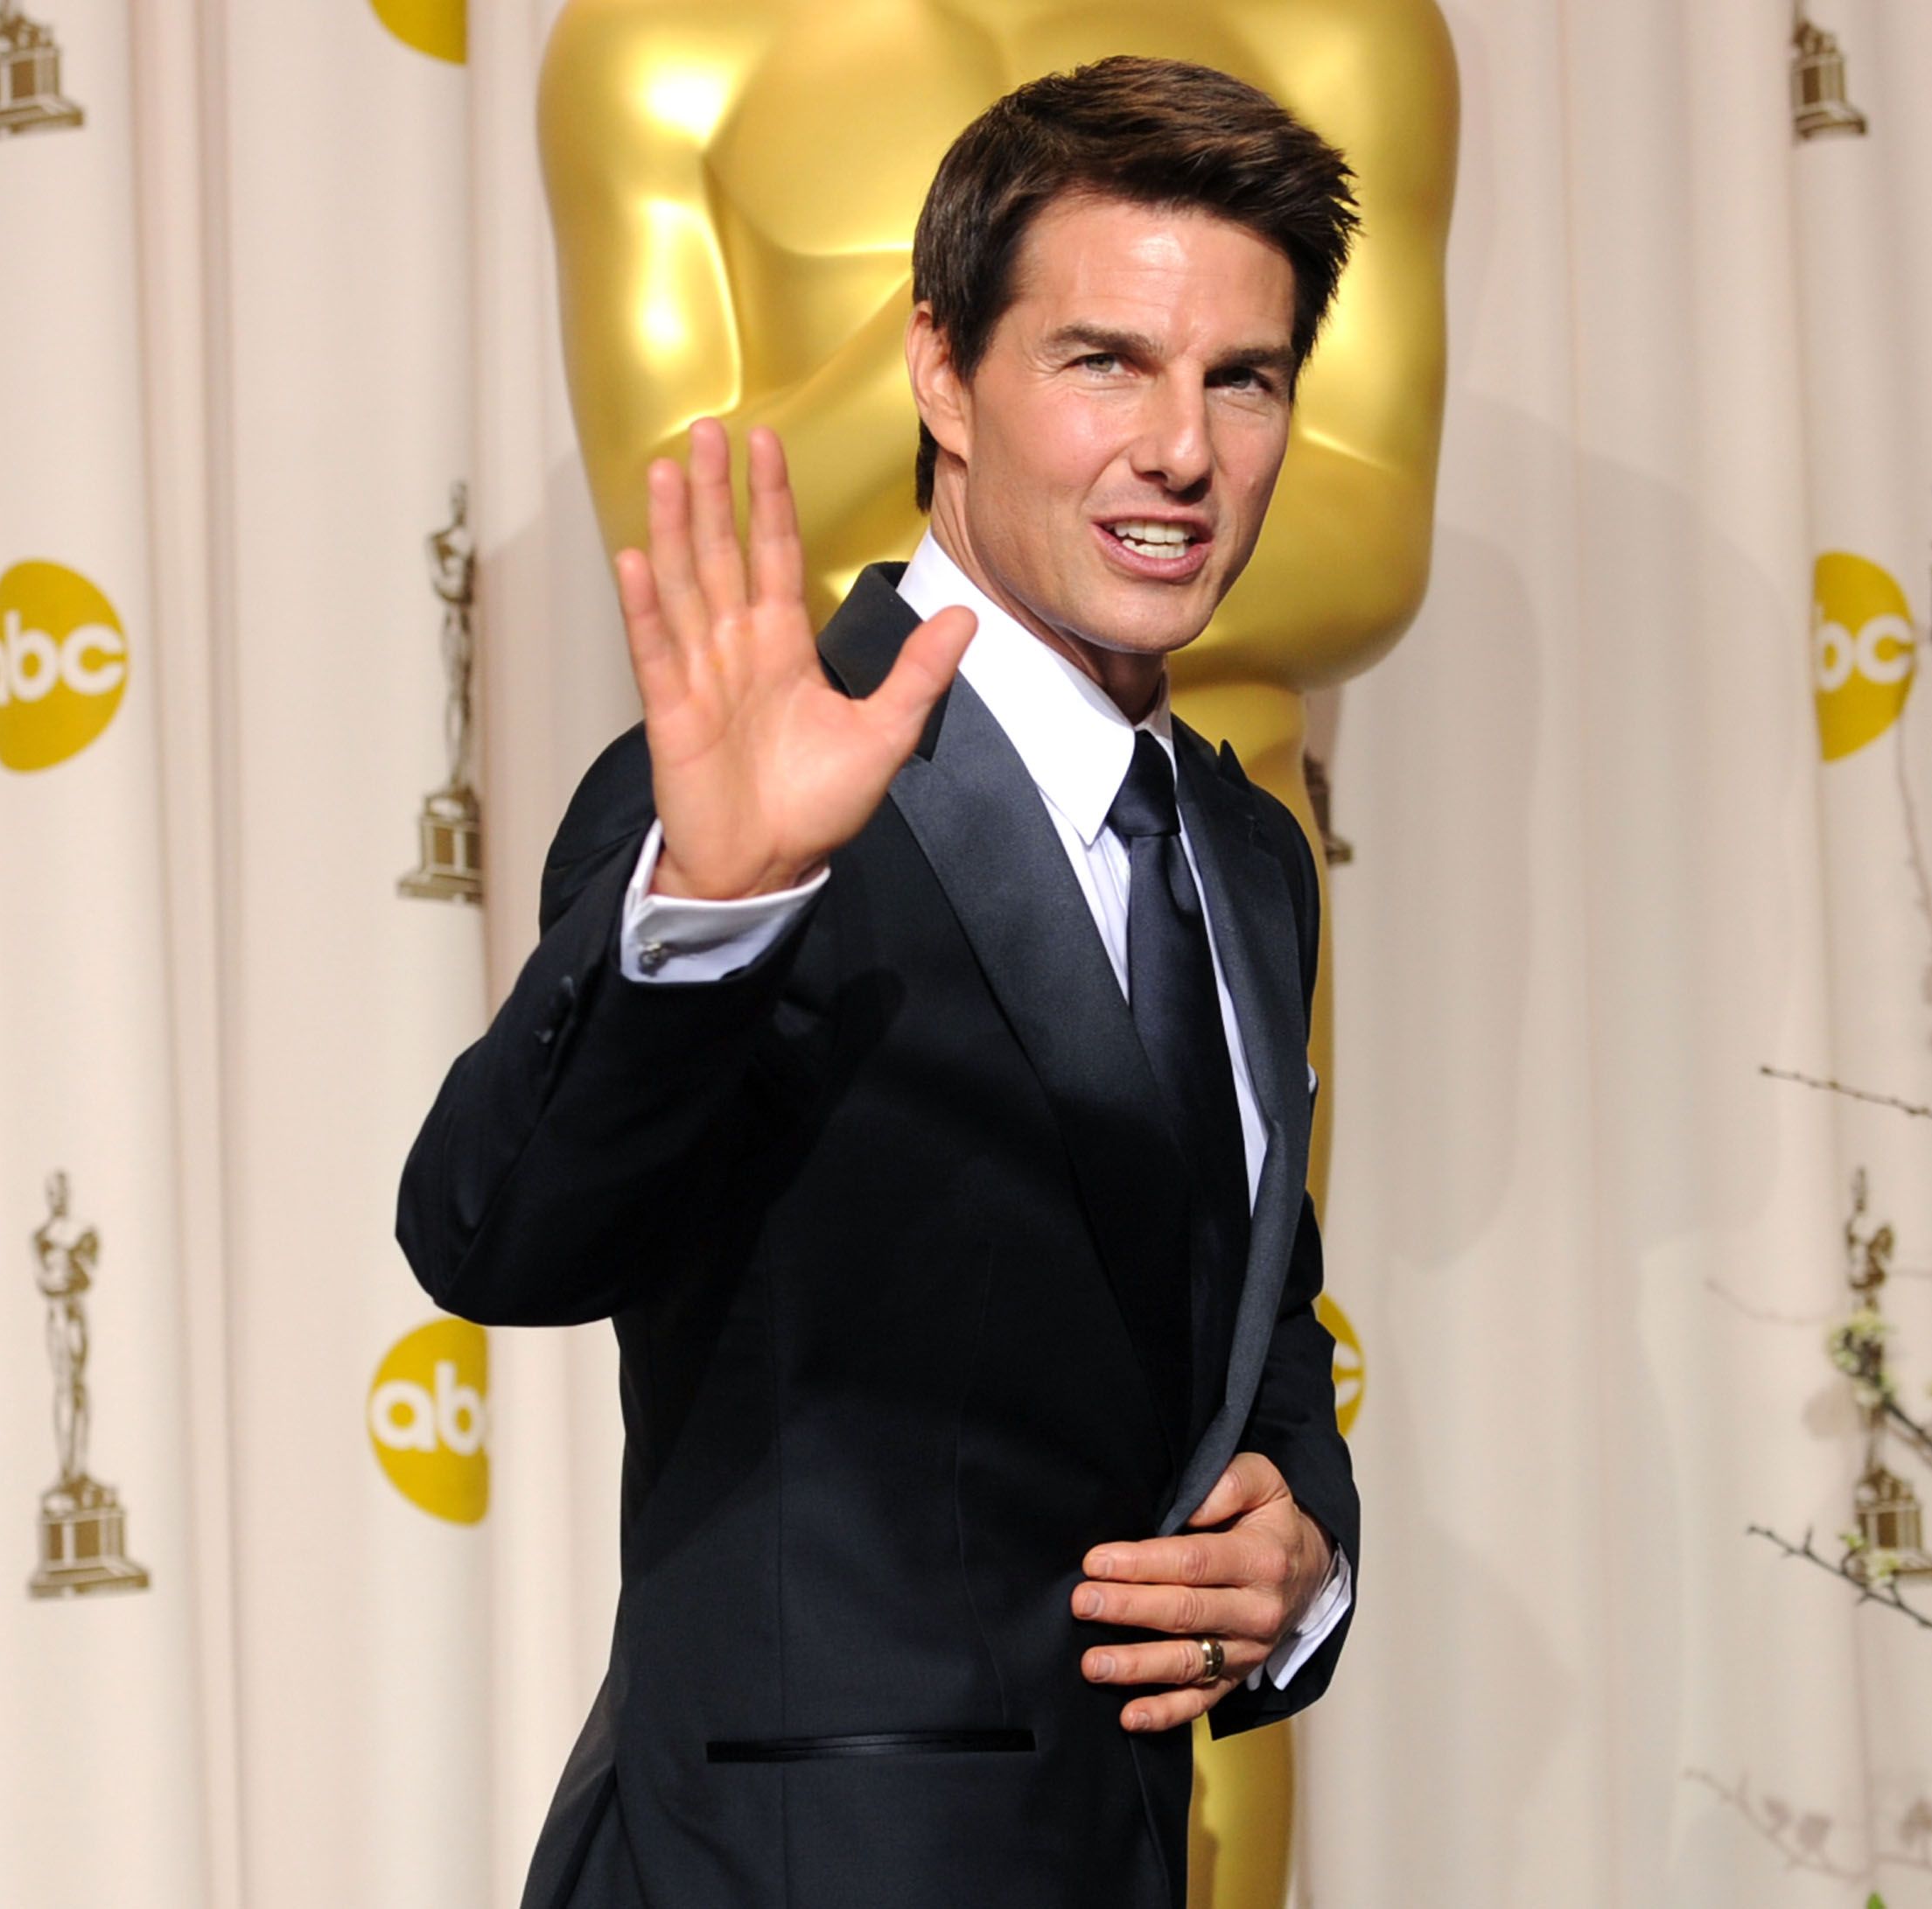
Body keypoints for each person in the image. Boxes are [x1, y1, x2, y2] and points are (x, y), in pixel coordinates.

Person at [398, 56, 1361, 1909]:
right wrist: (710, 905)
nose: (1182, 449)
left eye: (1241, 377)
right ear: (942, 371)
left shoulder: (1244, 850)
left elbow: (1256, 1318)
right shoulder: (766, 781)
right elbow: (491, 1234)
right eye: (1103, 361)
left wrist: (1305, 1551)